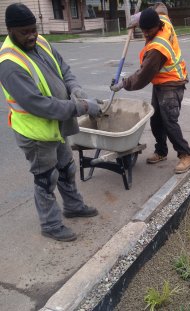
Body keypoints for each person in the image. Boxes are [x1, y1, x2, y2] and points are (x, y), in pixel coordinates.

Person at [0, 3, 103, 242]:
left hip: (56, 128)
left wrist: (75, 89)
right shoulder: (9, 64)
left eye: (34, 29)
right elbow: (41, 105)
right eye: (25, 31)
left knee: (66, 169)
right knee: (46, 179)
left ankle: (73, 206)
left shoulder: (42, 43)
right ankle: (50, 224)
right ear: (11, 30)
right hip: (35, 134)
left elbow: (64, 69)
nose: (32, 35)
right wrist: (83, 106)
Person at [111, 3, 190, 174]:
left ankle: (185, 155)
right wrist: (138, 17)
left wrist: (123, 83)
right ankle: (161, 151)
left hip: (172, 83)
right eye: (143, 30)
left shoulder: (158, 49)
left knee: (169, 121)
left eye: (149, 30)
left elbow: (142, 77)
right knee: (155, 120)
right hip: (161, 82)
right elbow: (161, 7)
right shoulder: (163, 19)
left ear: (158, 26)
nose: (146, 34)